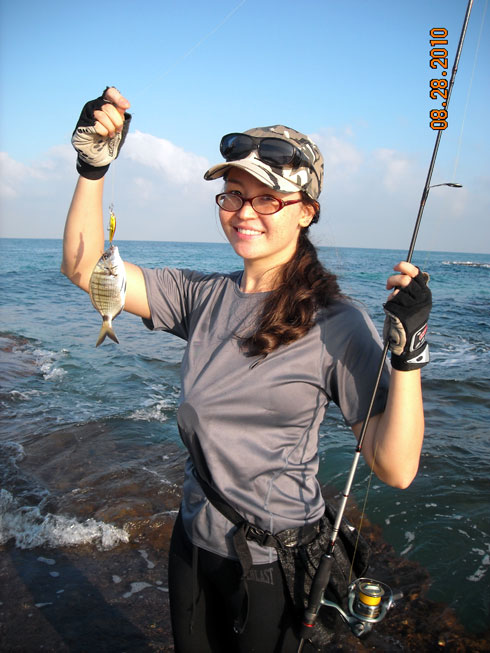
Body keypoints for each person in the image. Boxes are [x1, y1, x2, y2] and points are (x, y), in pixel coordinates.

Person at [62, 87, 431, 652]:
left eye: (268, 199)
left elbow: (395, 467)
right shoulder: (201, 295)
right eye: (233, 195)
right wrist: (93, 168)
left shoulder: (336, 323)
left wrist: (408, 358)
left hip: (272, 566)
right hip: (192, 543)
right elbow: (87, 269)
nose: (244, 212)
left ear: (306, 211)